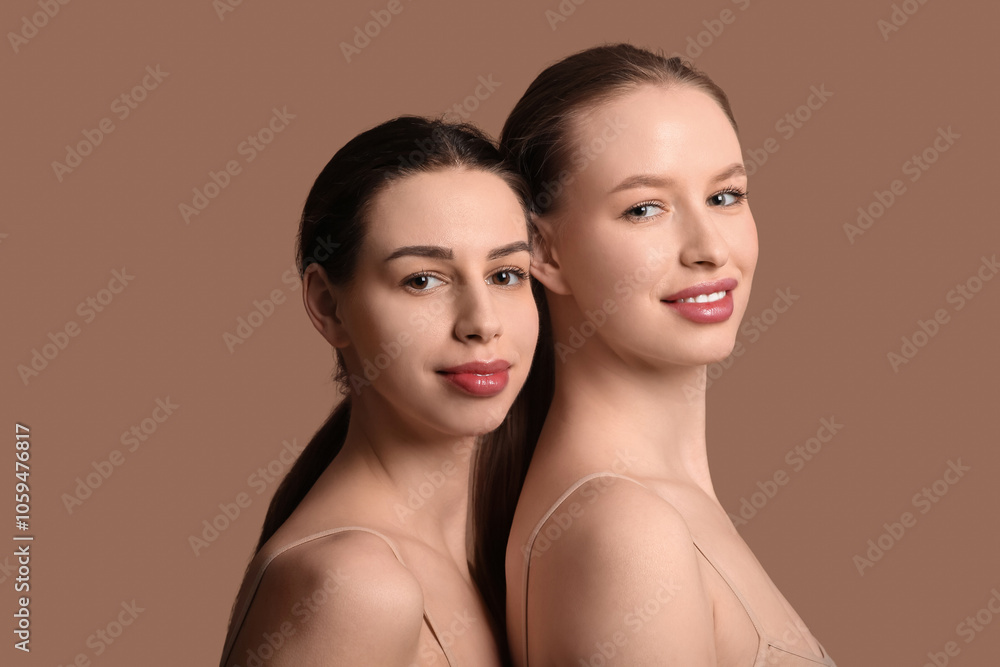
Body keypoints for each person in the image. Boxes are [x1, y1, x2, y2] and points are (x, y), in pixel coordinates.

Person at [471, 43, 838, 666]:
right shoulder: (625, 531)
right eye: (645, 208)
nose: (709, 249)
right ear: (543, 250)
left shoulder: (650, 505)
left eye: (725, 196)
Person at [219, 116, 540, 667]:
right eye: (423, 279)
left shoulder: (505, 539)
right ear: (328, 305)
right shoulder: (353, 586)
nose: (482, 323)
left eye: (506, 275)